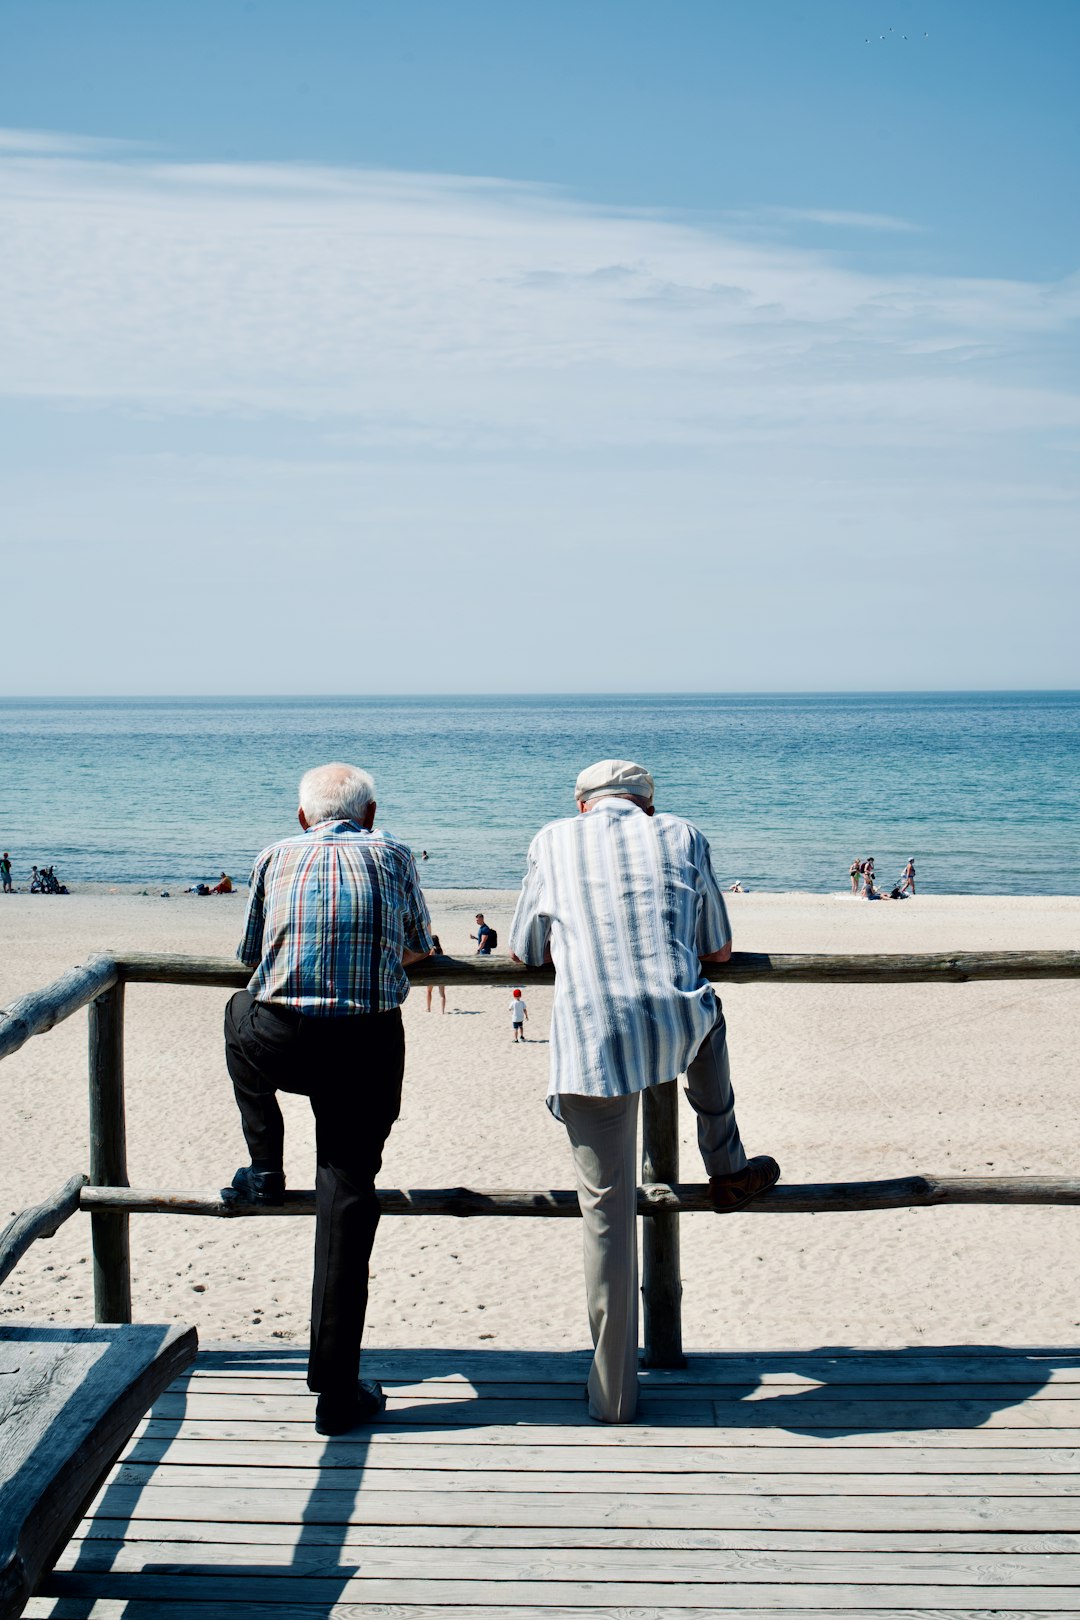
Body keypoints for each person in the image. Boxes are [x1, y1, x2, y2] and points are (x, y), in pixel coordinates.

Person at [509, 758, 780, 1425]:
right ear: (648, 807)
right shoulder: (684, 835)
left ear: (582, 806)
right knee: (707, 1013)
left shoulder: (550, 840)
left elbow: (523, 950)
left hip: (592, 1039)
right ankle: (727, 1167)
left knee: (606, 1216)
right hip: (672, 1025)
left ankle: (614, 1398)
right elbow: (717, 948)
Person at [221, 762, 433, 1435]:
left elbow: (252, 957)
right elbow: (420, 948)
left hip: (283, 1041)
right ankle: (335, 1389)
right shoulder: (394, 853)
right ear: (370, 815)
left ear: (301, 817)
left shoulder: (273, 856)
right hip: (365, 1048)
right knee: (347, 1203)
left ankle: (264, 1164)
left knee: (234, 1012)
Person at [426, 934, 447, 1013]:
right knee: (442, 994)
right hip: (441, 973)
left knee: (429, 991)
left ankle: (428, 1008)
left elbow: (430, 960)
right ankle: (442, 1011)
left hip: (432, 974)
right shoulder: (441, 950)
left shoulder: (432, 950)